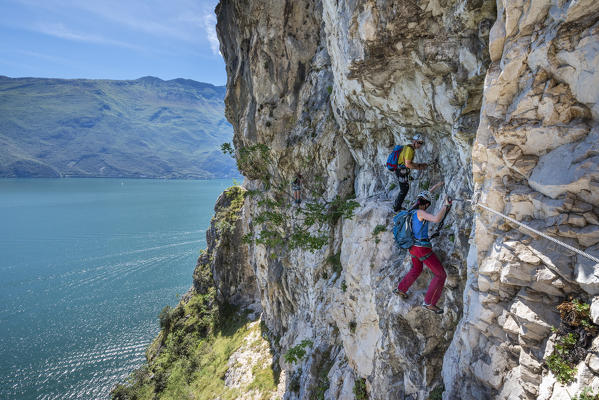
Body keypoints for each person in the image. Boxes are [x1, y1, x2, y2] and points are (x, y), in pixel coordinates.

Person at [394, 190, 451, 314]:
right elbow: (436, 219)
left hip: (412, 248)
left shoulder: (411, 212)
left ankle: (401, 288)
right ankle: (430, 302)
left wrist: (437, 187)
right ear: (426, 204)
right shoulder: (420, 212)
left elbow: (427, 194)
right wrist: (445, 205)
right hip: (421, 248)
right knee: (441, 274)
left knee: (417, 269)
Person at [393, 133, 429, 212]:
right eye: (419, 142)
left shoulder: (408, 147)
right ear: (414, 141)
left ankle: (397, 205)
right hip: (401, 170)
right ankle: (397, 207)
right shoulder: (410, 150)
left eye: (421, 143)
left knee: (404, 188)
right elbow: (408, 164)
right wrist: (419, 167)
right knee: (404, 189)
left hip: (400, 169)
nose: (420, 145)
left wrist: (419, 165)